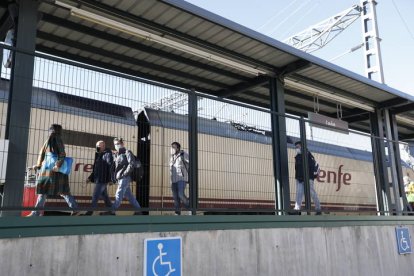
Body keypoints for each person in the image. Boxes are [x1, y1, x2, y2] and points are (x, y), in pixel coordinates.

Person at [27, 124, 78, 216]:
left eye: (50, 129)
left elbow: (62, 153)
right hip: (53, 169)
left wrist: (57, 165)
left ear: (52, 130)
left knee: (44, 191)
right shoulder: (54, 138)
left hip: (51, 169)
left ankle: (35, 213)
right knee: (63, 191)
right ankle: (75, 209)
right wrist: (38, 166)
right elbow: (48, 155)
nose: (49, 131)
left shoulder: (55, 138)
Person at [111, 137, 141, 215]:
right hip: (120, 178)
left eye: (118, 144)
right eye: (115, 144)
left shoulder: (127, 152)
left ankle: (112, 211)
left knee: (119, 193)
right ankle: (138, 210)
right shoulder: (117, 154)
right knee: (129, 195)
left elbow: (132, 164)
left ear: (122, 143)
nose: (116, 145)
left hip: (125, 177)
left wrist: (124, 174)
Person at [84, 141, 113, 216]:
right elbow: (95, 169)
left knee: (95, 195)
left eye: (99, 146)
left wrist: (111, 179)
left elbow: (111, 167)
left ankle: (90, 212)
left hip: (103, 179)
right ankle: (111, 211)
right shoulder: (98, 154)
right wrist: (90, 178)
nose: (97, 147)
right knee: (104, 196)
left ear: (103, 146)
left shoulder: (108, 154)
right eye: (96, 146)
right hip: (98, 178)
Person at [293, 141, 322, 215]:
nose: (296, 148)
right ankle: (297, 209)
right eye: (296, 147)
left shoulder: (308, 155)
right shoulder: (297, 157)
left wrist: (311, 177)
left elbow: (312, 167)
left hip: (308, 178)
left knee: (312, 193)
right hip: (299, 178)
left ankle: (318, 209)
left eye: (298, 147)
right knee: (299, 193)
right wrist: (297, 178)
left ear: (302, 147)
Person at [170, 142, 191, 215]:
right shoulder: (172, 157)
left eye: (173, 147)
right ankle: (177, 213)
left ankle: (190, 207)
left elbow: (190, 162)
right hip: (173, 180)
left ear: (178, 148)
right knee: (175, 198)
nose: (172, 149)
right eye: (171, 147)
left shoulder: (183, 154)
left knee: (180, 194)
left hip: (182, 178)